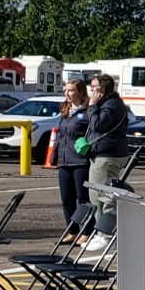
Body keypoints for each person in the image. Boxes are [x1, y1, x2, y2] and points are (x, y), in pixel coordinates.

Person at [81, 74, 132, 252]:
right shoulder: (108, 104)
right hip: (101, 153)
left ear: (102, 88)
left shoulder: (111, 105)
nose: (91, 91)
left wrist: (93, 106)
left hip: (107, 155)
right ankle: (101, 231)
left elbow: (98, 125)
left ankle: (106, 234)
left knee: (103, 195)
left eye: (94, 87)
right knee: (95, 194)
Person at [53, 78, 92, 241]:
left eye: (70, 90)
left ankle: (87, 231)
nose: (67, 94)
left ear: (80, 92)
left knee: (82, 198)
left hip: (80, 161)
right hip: (64, 160)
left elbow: (92, 133)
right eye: (66, 90)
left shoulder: (88, 111)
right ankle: (71, 230)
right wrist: (54, 154)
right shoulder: (65, 109)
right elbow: (60, 134)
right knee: (66, 198)